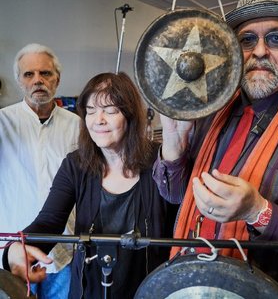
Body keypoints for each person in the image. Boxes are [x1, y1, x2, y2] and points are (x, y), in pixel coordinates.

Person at [152, 0, 278, 297]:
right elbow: (175, 195)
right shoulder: (213, 108)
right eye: (247, 40)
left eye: (276, 38)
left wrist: (257, 211)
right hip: (193, 285)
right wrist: (173, 143)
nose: (259, 51)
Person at [3, 72, 176, 298]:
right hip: (89, 288)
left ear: (131, 114)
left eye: (110, 110)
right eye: (91, 111)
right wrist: (15, 249)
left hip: (150, 288)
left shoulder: (159, 162)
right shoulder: (76, 165)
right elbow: (49, 221)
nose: (98, 120)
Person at [0, 43, 80, 298]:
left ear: (57, 78)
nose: (37, 80)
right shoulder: (2, 124)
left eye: (45, 73)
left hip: (64, 253)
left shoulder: (78, 125)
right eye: (29, 74)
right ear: (19, 81)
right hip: (15, 255)